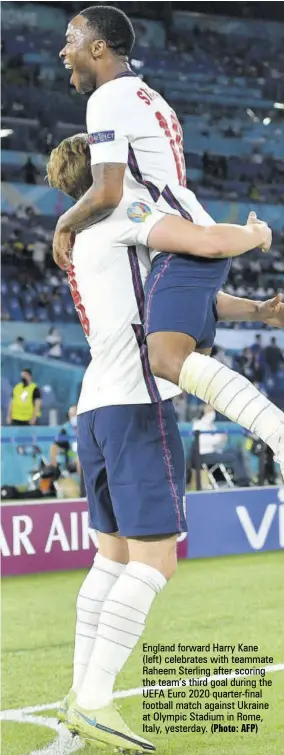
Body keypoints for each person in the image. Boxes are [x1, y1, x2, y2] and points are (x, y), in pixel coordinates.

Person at [47, 133, 284, 752]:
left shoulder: (90, 241)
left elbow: (178, 303)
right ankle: (96, 701)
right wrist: (258, 234)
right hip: (136, 405)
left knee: (110, 561)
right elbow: (208, 243)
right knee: (156, 563)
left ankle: (77, 703)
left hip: (94, 406)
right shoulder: (123, 213)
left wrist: (259, 311)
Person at [53, 7, 284, 473]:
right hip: (178, 245)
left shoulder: (107, 100)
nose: (63, 50)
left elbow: (107, 190)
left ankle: (279, 434)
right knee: (178, 362)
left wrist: (63, 224)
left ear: (98, 47)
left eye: (71, 39)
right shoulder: (147, 97)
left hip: (180, 241)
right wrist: (257, 309)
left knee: (164, 358)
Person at [191, 404, 250, 487]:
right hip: (204, 455)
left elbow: (218, 445)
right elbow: (202, 442)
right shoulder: (198, 425)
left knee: (236, 452)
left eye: (212, 411)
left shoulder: (213, 426)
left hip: (215, 452)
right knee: (232, 456)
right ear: (203, 412)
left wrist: (222, 440)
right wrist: (218, 439)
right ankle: (243, 481)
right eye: (209, 410)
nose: (212, 413)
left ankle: (244, 478)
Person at [50, 404, 79, 474]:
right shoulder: (65, 430)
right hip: (72, 463)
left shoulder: (87, 427)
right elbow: (54, 446)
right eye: (71, 415)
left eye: (75, 414)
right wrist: (54, 463)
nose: (73, 417)